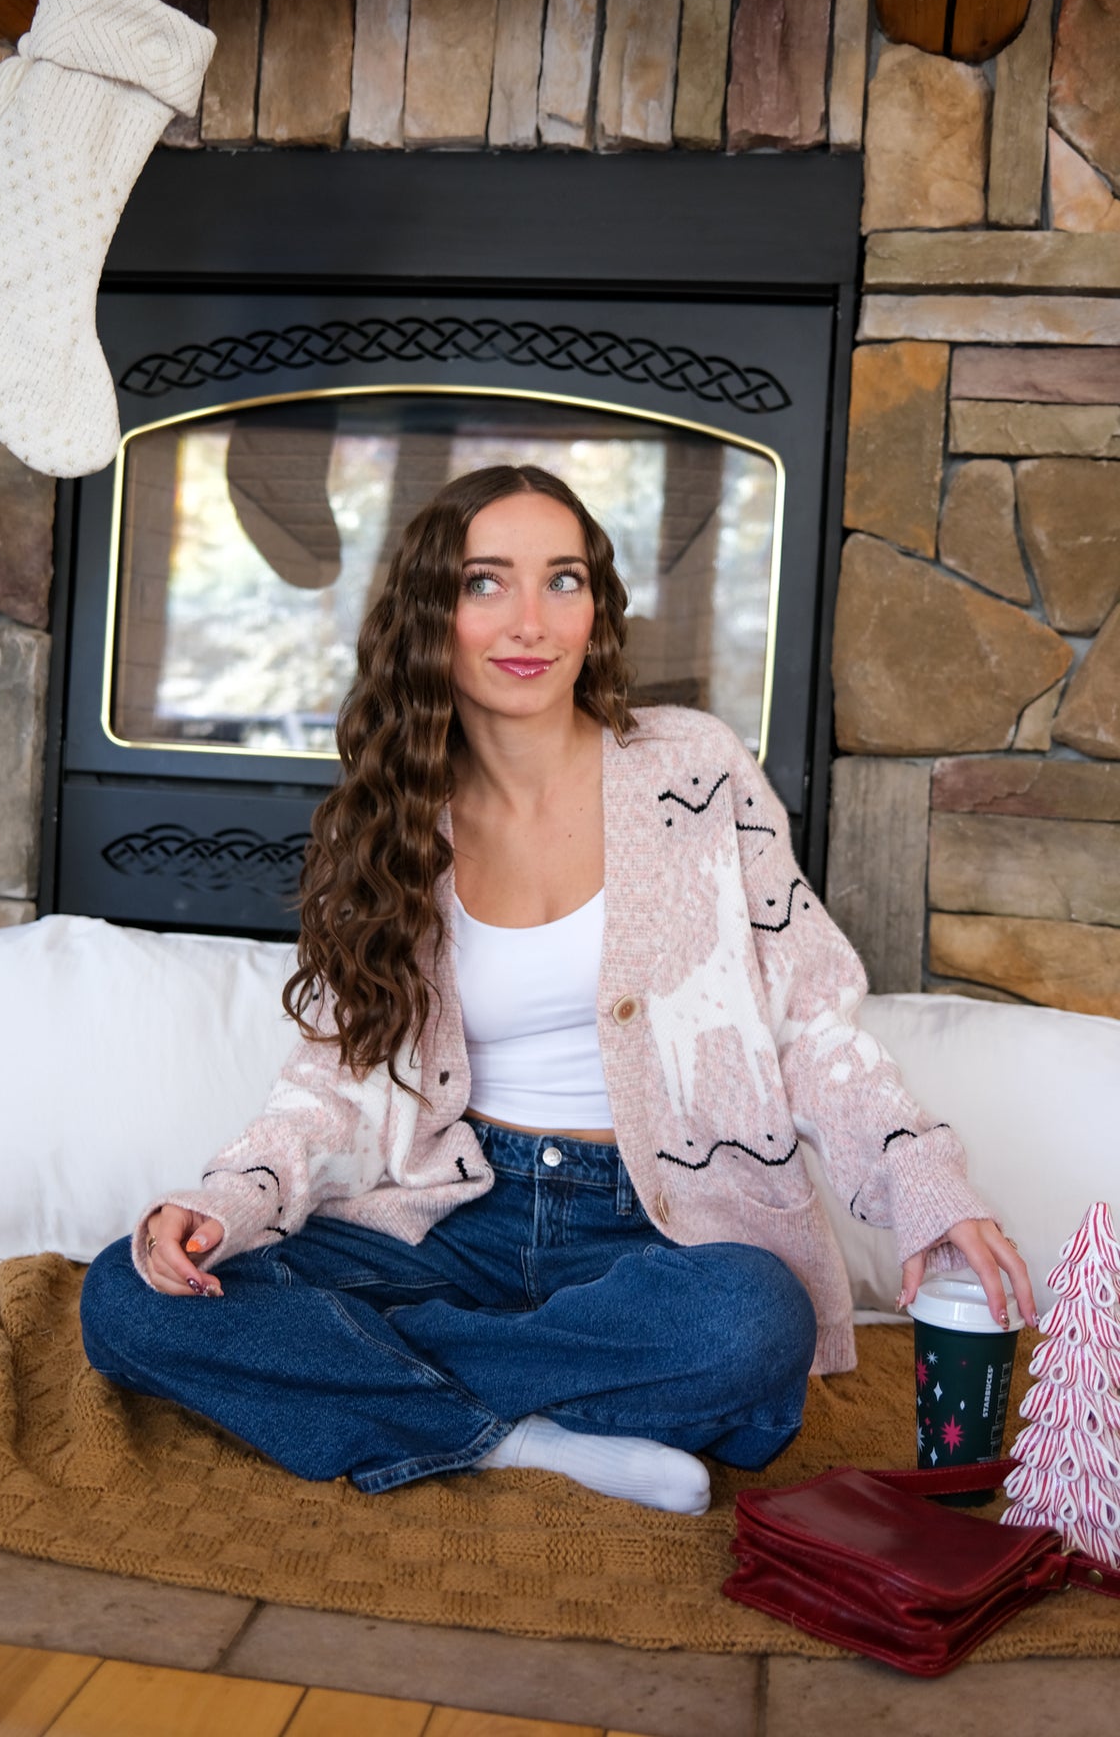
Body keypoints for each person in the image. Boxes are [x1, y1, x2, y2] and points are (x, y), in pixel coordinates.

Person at [80, 464, 1036, 1516]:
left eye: (563, 581)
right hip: (459, 1218)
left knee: (751, 1321)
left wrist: (923, 1187)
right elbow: (333, 1078)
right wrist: (227, 1200)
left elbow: (810, 1018)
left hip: (652, 1231)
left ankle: (398, 1392)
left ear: (598, 607)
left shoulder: (698, 773)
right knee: (127, 1297)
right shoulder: (388, 820)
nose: (530, 621)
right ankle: (528, 1438)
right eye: (486, 583)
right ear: (429, 611)